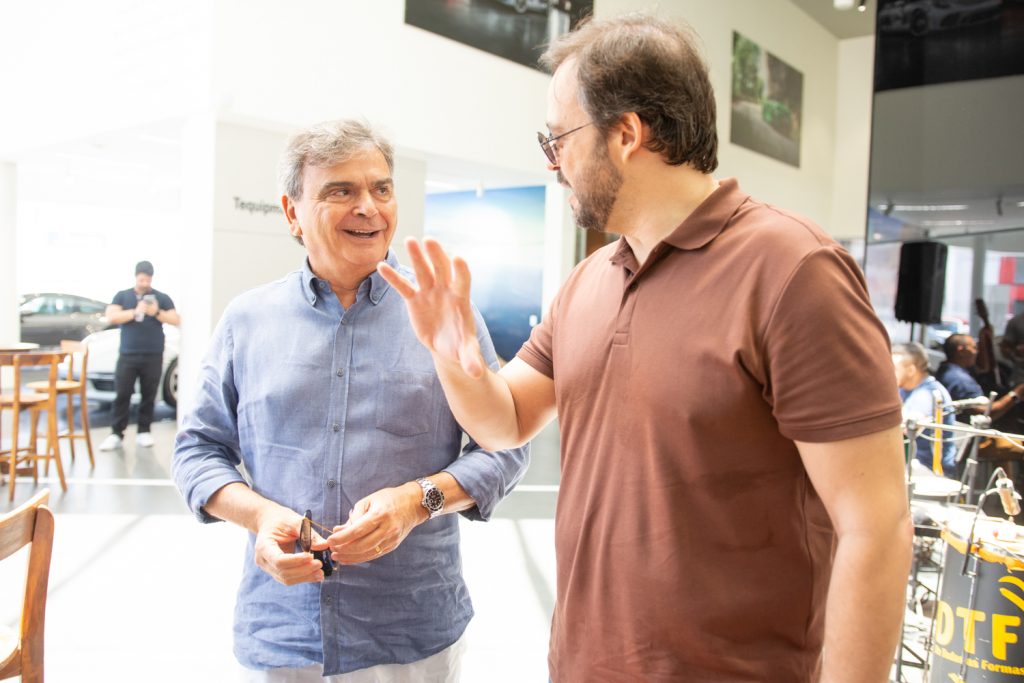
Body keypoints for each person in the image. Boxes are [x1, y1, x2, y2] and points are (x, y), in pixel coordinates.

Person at [378, 13, 912, 682]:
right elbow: (505, 418)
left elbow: (876, 526)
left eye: (559, 139)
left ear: (627, 134)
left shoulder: (794, 270)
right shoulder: (589, 281)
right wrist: (450, 351)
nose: (553, 163)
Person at [171, 119, 528, 681]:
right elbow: (196, 451)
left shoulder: (445, 314)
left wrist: (418, 501)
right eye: (341, 191)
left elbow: (503, 448)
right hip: (283, 627)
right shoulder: (247, 320)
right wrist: (261, 517)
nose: (369, 207)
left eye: (381, 188)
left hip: (411, 628)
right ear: (291, 213)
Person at [99, 260, 180, 450]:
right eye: (142, 279)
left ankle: (144, 431)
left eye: (148, 280)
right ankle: (116, 433)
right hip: (128, 354)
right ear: (136, 277)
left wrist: (156, 311)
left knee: (149, 394)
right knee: (123, 393)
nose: (144, 283)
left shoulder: (161, 298)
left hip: (153, 354)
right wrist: (135, 311)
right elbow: (111, 316)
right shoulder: (123, 296)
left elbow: (176, 319)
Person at [893, 342, 958, 476]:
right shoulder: (905, 389)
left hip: (927, 468)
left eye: (893, 369)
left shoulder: (928, 393)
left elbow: (907, 429)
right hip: (911, 463)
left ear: (911, 370)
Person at [937, 333, 1024, 417]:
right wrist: (1016, 394)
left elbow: (984, 366)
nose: (976, 352)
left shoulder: (945, 369)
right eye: (974, 348)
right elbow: (983, 413)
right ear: (961, 351)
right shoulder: (961, 380)